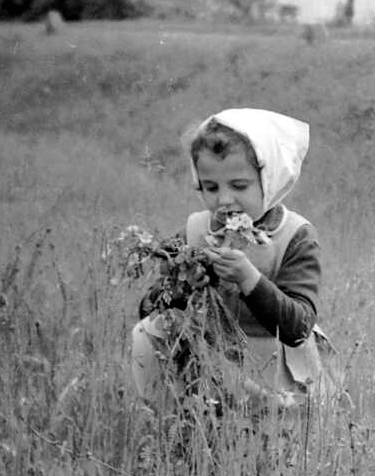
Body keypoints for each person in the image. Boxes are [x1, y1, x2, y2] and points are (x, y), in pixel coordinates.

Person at [130, 107, 334, 422]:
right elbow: (149, 308)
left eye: (239, 186)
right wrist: (184, 285)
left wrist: (249, 278)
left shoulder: (295, 235)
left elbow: (299, 327)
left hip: (273, 376)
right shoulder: (196, 232)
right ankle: (167, 426)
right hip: (211, 371)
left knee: (266, 450)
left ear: (270, 180)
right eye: (211, 188)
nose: (224, 200)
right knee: (145, 332)